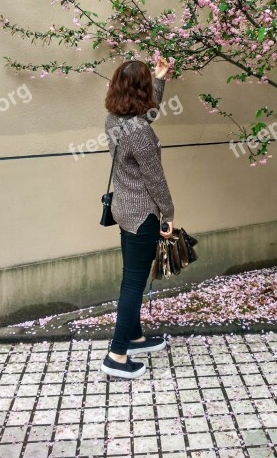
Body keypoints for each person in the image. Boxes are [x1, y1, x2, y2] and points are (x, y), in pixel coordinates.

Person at [101, 59, 175, 379]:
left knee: (130, 278)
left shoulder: (114, 120)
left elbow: (146, 113)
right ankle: (117, 355)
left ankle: (134, 337)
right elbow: (155, 179)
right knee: (133, 283)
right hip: (143, 213)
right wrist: (168, 214)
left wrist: (159, 80)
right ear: (141, 91)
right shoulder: (140, 132)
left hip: (123, 209)